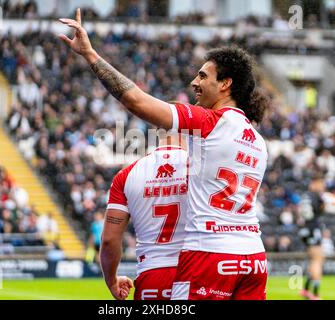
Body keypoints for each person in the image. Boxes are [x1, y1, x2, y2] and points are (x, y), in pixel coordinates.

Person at [59, 8, 270, 300]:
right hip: (253, 257)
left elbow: (135, 101)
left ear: (225, 84)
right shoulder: (258, 141)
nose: (194, 83)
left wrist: (91, 55)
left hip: (209, 255)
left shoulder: (208, 124)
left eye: (202, 76)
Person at [101, 133, 188, 300]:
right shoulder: (201, 167)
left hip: (152, 273)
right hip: (195, 270)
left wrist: (111, 280)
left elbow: (109, 240)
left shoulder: (126, 175)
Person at [298, 174, 326, 300]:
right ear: (314, 184)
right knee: (317, 260)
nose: (323, 186)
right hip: (313, 229)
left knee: (315, 260)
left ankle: (305, 290)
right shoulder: (315, 196)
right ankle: (315, 294)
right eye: (321, 184)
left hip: (307, 230)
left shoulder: (306, 196)